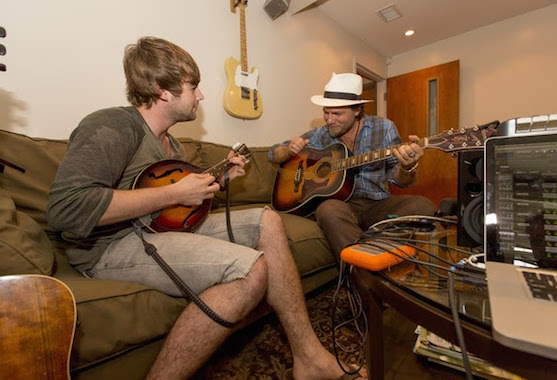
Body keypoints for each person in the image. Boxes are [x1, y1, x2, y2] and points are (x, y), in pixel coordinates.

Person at [47, 37, 366, 380]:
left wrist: (215, 183)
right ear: (162, 90)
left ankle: (310, 359)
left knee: (267, 219)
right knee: (250, 270)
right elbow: (67, 208)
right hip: (108, 248)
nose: (200, 96)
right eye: (193, 87)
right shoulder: (111, 126)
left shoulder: (172, 145)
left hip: (158, 229)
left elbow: (178, 211)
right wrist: (173, 194)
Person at [269, 73, 436, 261]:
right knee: (327, 209)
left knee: (423, 205)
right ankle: (364, 272)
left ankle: (373, 252)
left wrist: (407, 166)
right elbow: (274, 153)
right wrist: (290, 150)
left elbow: (400, 180)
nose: (329, 120)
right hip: (342, 205)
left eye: (337, 114)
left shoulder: (384, 128)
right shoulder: (320, 134)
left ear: (357, 111)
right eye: (326, 112)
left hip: (377, 204)